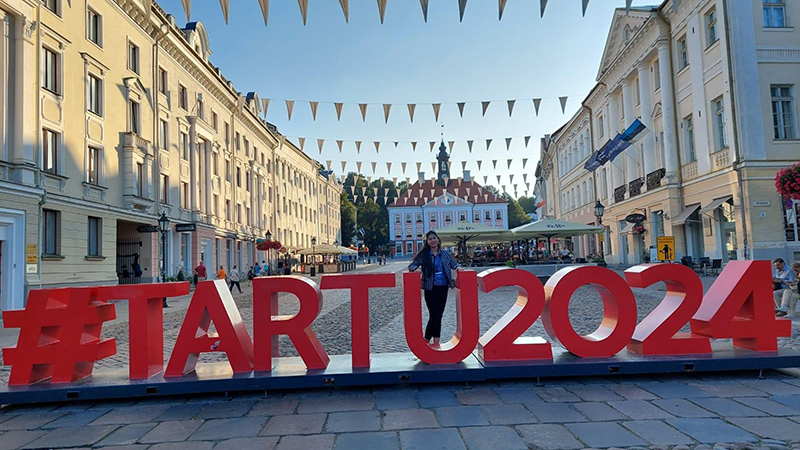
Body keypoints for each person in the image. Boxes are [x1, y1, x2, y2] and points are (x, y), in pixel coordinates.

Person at [408, 230, 462, 347]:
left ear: (438, 239)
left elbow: (454, 264)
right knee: (434, 314)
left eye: (434, 238)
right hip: (430, 288)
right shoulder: (425, 255)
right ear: (427, 242)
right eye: (430, 239)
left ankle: (434, 341)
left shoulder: (445, 254)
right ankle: (428, 340)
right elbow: (412, 265)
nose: (433, 240)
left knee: (439, 315)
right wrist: (415, 269)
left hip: (443, 287)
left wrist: (458, 267)